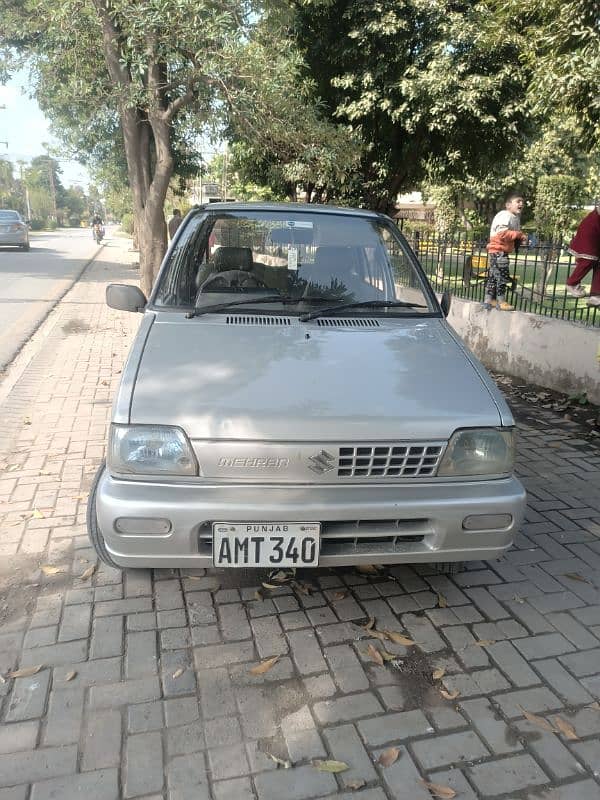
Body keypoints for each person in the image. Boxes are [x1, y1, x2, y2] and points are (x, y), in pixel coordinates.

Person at [483, 192, 528, 311]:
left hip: (498, 251)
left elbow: (510, 235)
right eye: (518, 201)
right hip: (499, 252)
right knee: (502, 277)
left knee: (493, 276)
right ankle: (501, 301)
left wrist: (519, 238)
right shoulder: (505, 215)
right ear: (508, 205)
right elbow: (502, 234)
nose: (521, 204)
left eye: (522, 202)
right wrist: (519, 235)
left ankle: (489, 300)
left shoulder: (514, 217)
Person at [565, 204, 600, 307]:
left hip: (596, 232)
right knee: (588, 259)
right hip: (592, 229)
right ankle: (572, 283)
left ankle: (596, 295)